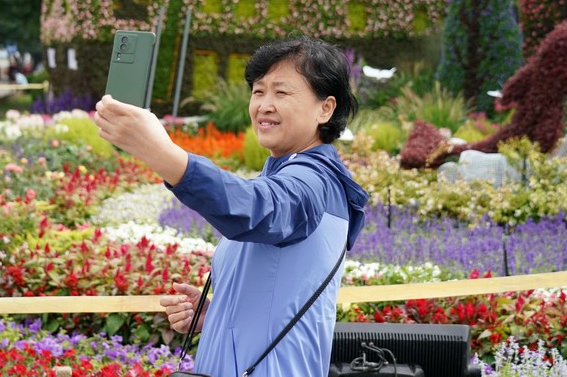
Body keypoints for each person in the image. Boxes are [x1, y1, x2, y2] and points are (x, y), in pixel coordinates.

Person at [94, 36, 369, 377]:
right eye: (258, 91)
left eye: (281, 92)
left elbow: (258, 209)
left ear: (325, 108)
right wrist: (216, 313)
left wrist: (163, 153)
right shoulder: (282, 173)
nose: (264, 105)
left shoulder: (315, 182)